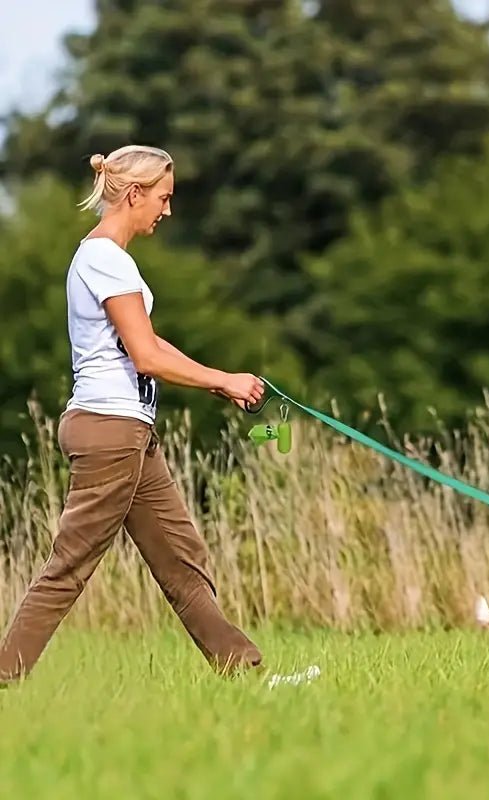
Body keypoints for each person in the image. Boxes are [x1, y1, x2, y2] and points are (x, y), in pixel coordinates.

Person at [0, 145, 283, 683]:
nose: (167, 211)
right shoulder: (107, 259)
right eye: (163, 198)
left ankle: (243, 671)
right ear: (134, 194)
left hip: (128, 430)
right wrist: (222, 379)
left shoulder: (100, 258)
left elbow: (148, 342)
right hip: (111, 432)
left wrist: (222, 383)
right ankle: (4, 672)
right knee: (71, 566)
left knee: (180, 556)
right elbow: (145, 355)